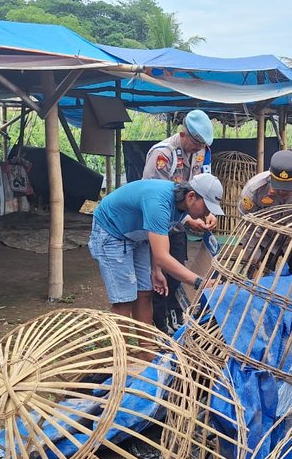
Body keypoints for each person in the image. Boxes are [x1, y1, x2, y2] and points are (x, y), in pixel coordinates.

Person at [88, 174, 224, 326]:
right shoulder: (159, 203)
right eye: (206, 207)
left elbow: (159, 241)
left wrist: (156, 270)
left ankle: (146, 348)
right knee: (124, 301)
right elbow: (162, 256)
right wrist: (200, 282)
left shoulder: (183, 204)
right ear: (191, 196)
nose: (206, 214)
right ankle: (121, 348)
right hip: (112, 230)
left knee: (145, 293)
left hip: (138, 234)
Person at [142, 109, 215, 332]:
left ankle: (176, 320)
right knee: (158, 275)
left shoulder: (201, 152)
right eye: (195, 144)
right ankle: (159, 326)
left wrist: (207, 212)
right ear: (183, 134)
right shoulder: (162, 156)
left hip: (179, 223)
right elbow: (154, 200)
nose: (198, 149)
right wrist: (188, 221)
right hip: (158, 223)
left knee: (175, 274)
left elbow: (201, 187)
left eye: (201, 146)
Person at [238, 150, 292, 277]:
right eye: (278, 186)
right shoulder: (254, 190)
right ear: (270, 175)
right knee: (257, 279)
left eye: (287, 187)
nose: (282, 191)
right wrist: (254, 260)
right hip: (265, 239)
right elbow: (247, 227)